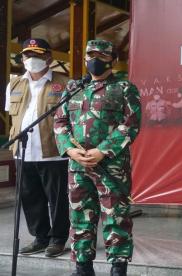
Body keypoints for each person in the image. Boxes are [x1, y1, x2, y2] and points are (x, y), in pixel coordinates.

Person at [54, 39, 141, 276]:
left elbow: (130, 125)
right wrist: (69, 150)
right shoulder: (73, 88)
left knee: (116, 217)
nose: (95, 61)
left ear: (112, 60)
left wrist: (102, 150)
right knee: (80, 217)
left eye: (101, 57)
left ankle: (118, 268)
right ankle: (82, 267)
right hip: (78, 165)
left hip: (111, 166)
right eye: (90, 55)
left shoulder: (124, 88)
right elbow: (60, 121)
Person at [4, 38, 70, 257]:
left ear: (48, 58)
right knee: (30, 197)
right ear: (22, 58)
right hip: (23, 151)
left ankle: (58, 239)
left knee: (57, 200)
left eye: (38, 55)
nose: (32, 59)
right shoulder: (14, 84)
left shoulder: (64, 83)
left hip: (53, 152)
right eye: (27, 55)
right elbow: (13, 118)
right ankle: (40, 237)